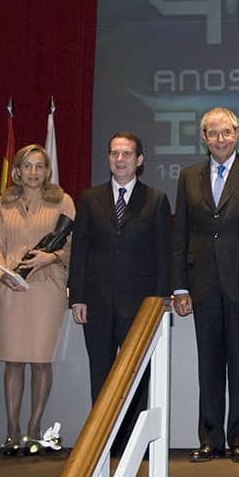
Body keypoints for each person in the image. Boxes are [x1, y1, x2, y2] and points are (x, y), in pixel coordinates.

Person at [171, 108, 239, 464]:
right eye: (213, 133)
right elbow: (180, 234)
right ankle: (210, 440)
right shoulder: (188, 177)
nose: (220, 139)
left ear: (237, 134)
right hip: (202, 284)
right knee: (209, 366)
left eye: (226, 132)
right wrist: (180, 287)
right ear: (203, 137)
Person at [69, 131, 171, 453]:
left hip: (140, 305)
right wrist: (77, 297)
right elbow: (80, 250)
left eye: (127, 154)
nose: (120, 159)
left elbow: (163, 254)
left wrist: (159, 301)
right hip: (96, 302)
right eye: (115, 153)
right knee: (101, 374)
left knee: (136, 376)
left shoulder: (156, 199)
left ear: (139, 160)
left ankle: (132, 444)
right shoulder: (90, 198)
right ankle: (103, 443)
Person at [0, 144, 76, 456]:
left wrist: (50, 257)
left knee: (41, 362)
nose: (33, 172)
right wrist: (2, 271)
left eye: (39, 166)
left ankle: (34, 429)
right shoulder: (3, 203)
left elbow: (73, 244)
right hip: (12, 287)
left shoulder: (62, 200)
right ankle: (12, 430)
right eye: (27, 166)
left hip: (47, 288)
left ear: (47, 170)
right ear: (17, 170)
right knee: (13, 361)